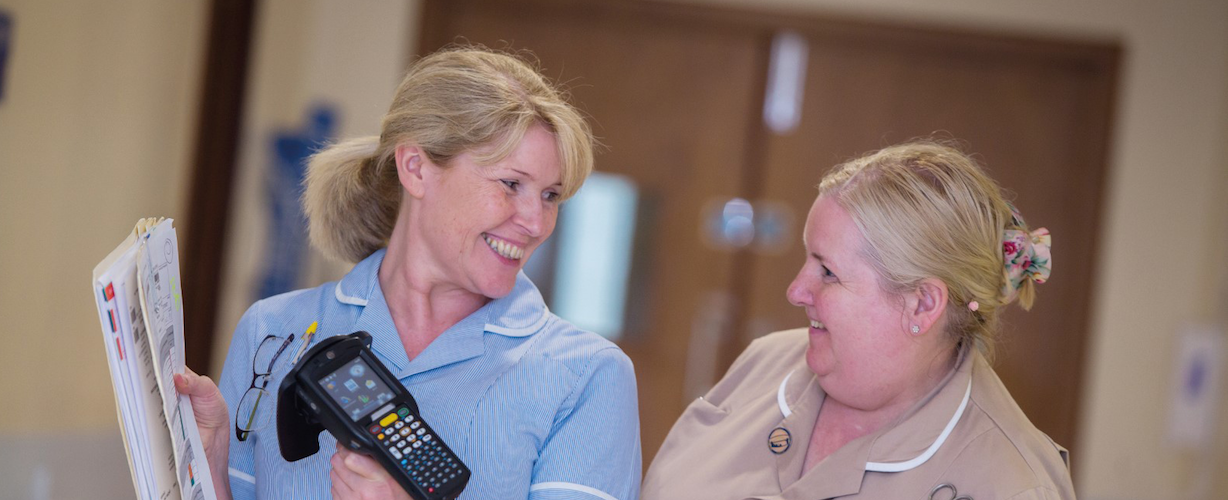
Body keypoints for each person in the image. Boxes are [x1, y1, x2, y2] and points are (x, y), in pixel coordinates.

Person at [175, 46, 642, 500]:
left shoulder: (587, 375)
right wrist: (211, 466)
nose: (536, 223)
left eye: (550, 195)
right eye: (511, 184)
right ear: (415, 168)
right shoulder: (273, 331)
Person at [641, 141, 1071, 499]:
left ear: (922, 304)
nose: (795, 291)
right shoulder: (765, 362)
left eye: (828, 272)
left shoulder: (1014, 483)